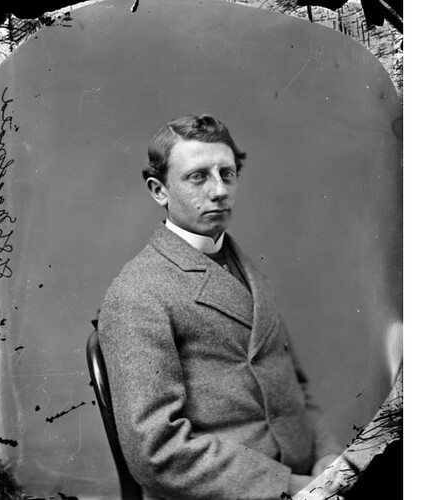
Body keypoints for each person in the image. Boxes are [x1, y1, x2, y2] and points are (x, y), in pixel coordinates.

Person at [98, 114, 341, 500]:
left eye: (226, 174)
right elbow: (155, 451)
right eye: (198, 177)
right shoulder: (138, 293)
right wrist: (288, 486)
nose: (219, 191)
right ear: (159, 191)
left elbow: (296, 387)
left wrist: (328, 459)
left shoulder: (246, 269)